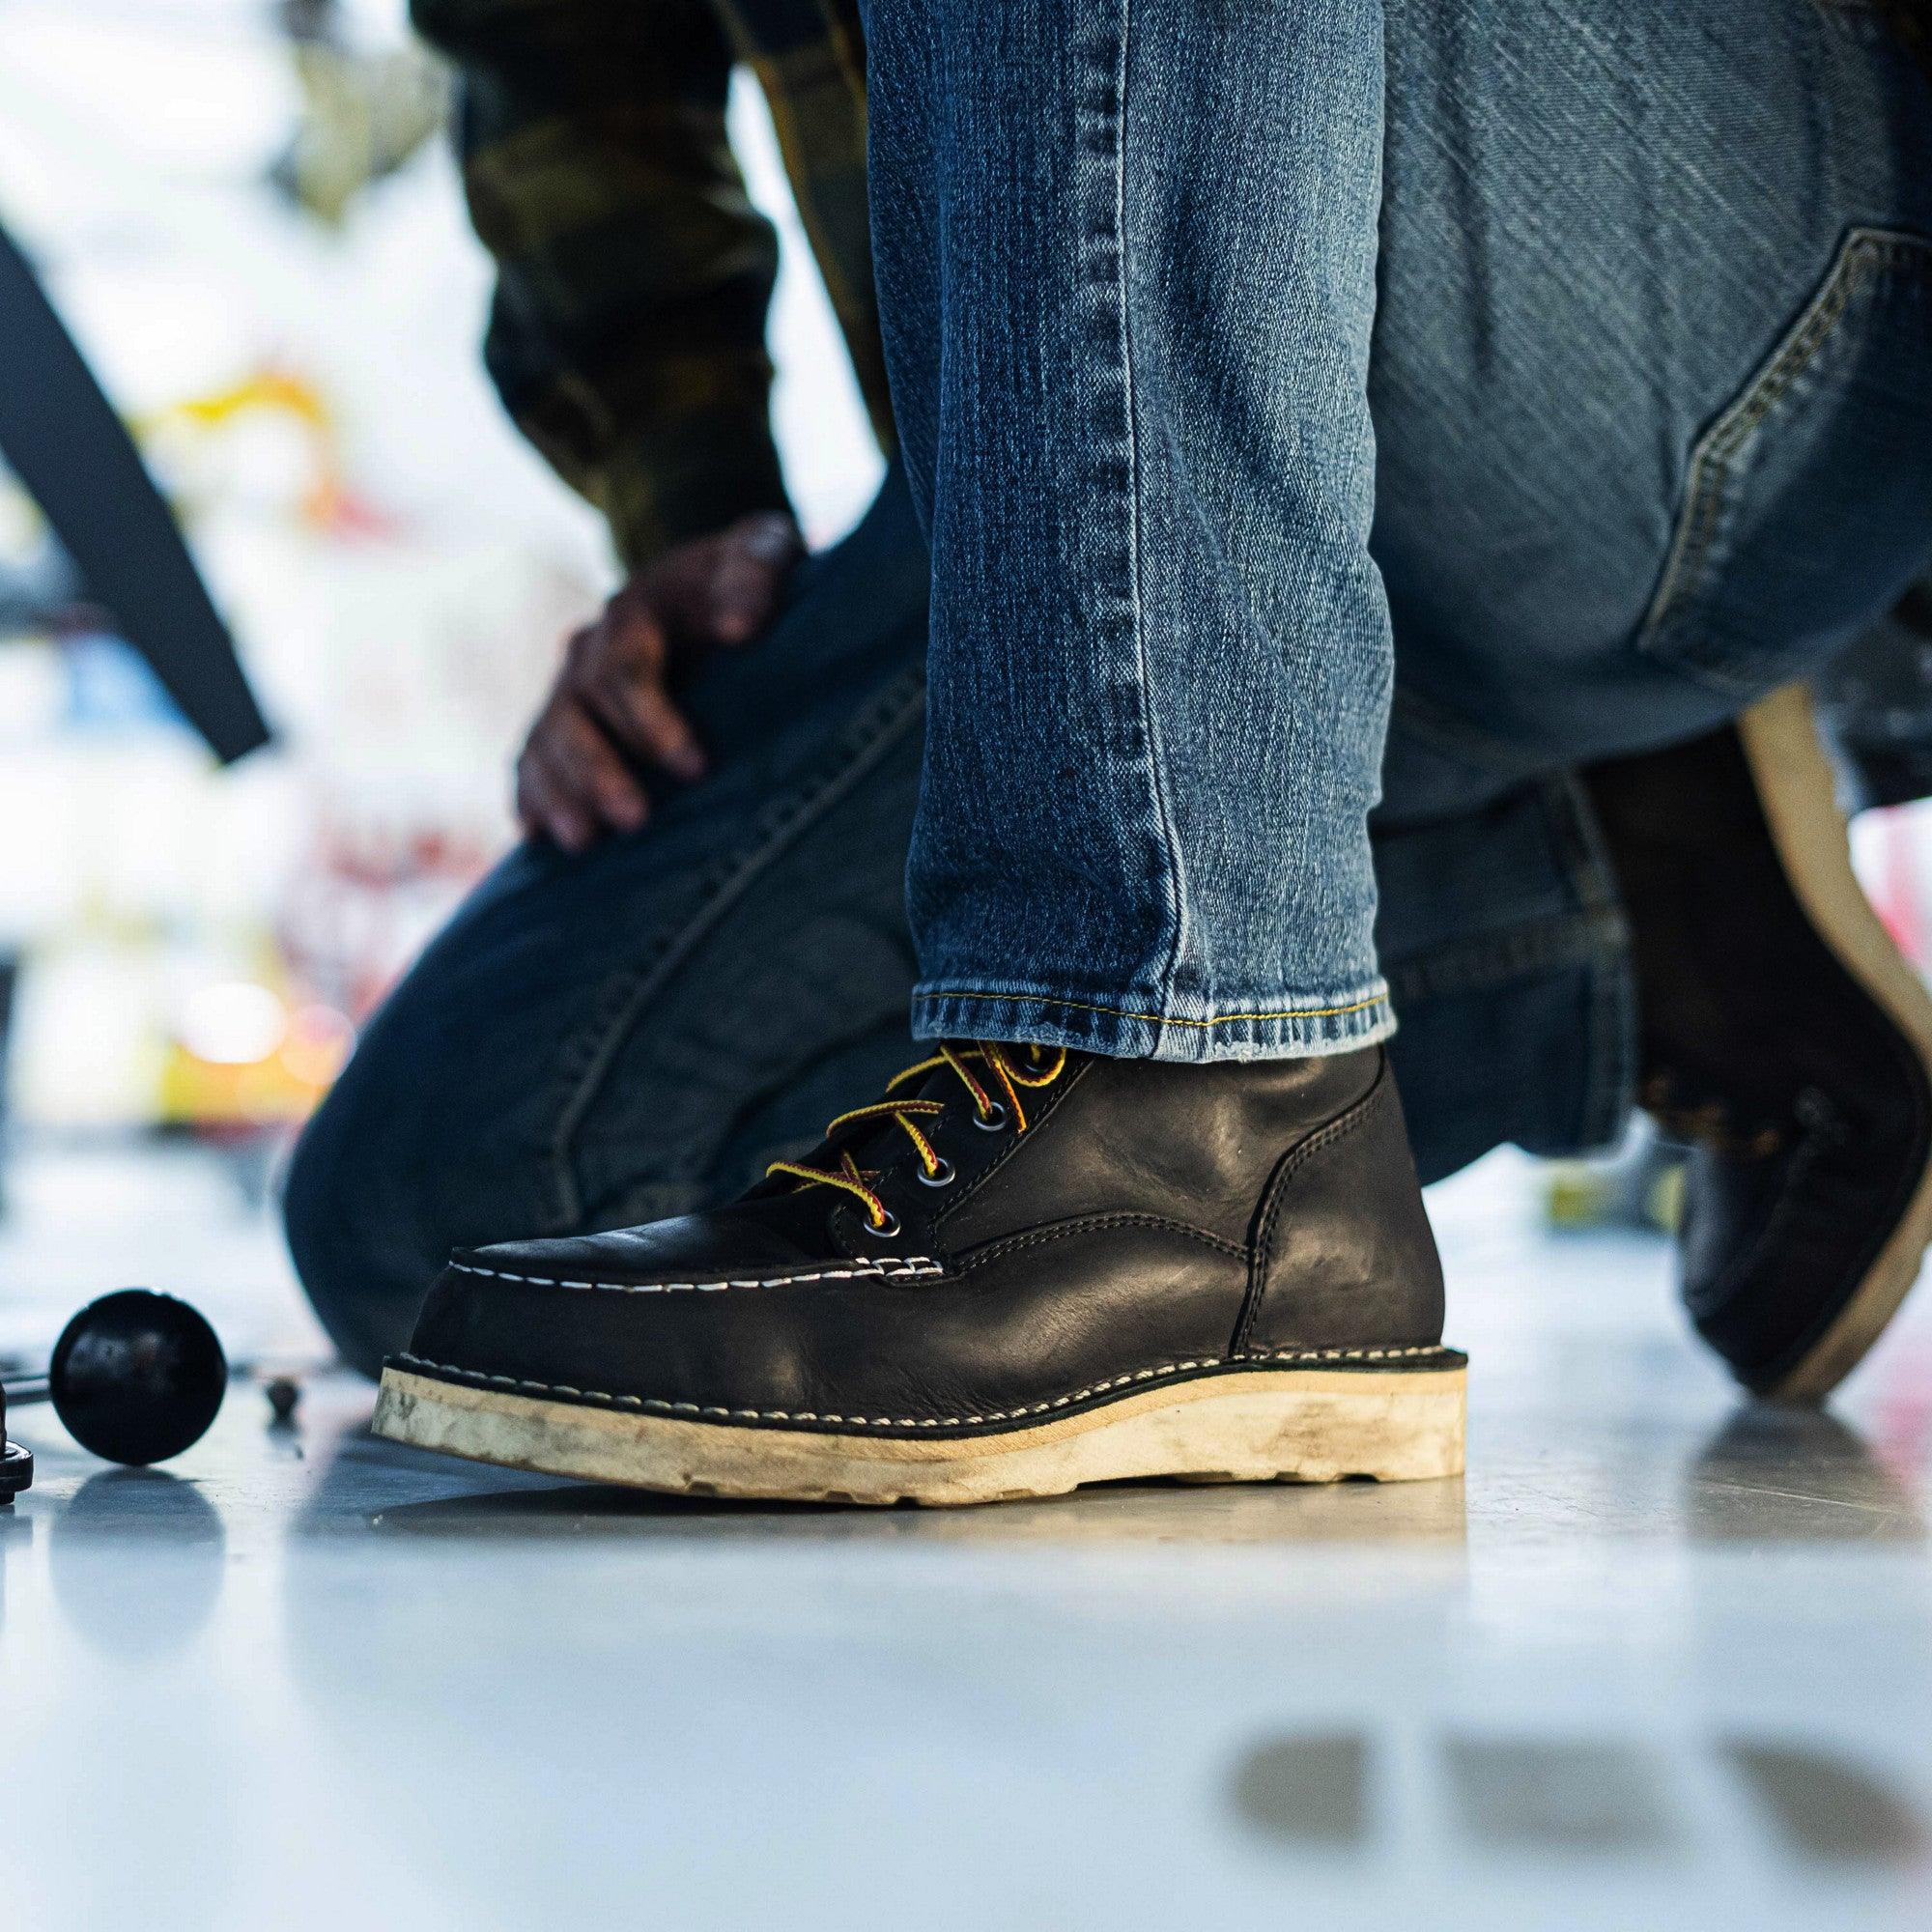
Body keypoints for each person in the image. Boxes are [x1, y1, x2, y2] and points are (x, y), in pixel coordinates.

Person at [291, 0, 1932, 1503]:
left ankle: (1196, 1066)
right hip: (1135, 517)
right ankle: (1609, 911)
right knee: (455, 1204)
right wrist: (692, 497)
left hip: (1720, 295)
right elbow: (564, 54)